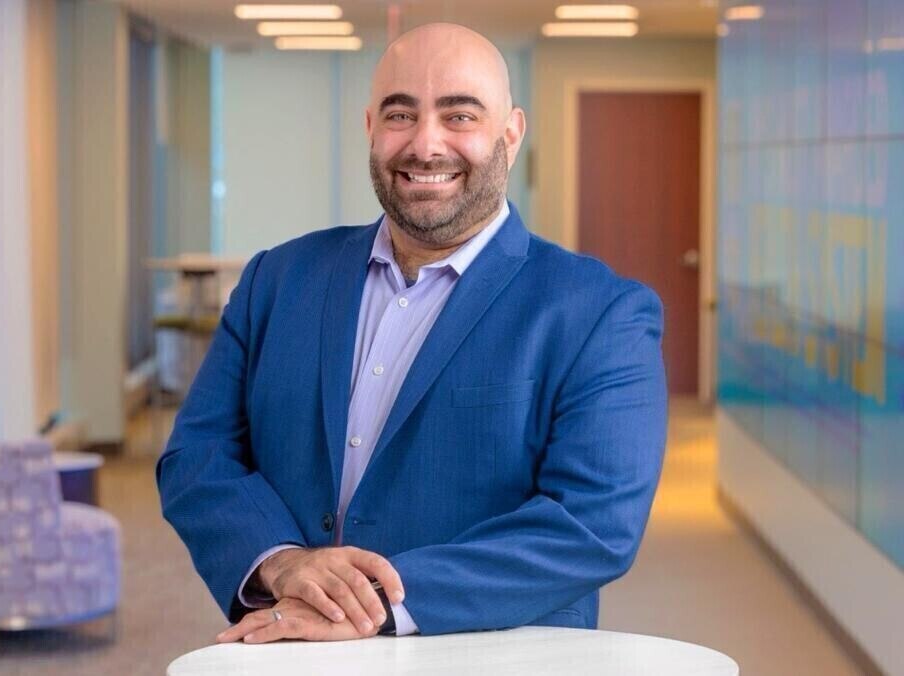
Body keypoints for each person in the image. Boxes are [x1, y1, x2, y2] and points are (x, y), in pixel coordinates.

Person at [157, 22, 667, 645]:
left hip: (495, 653)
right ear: (371, 127)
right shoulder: (277, 279)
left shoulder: (601, 311)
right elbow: (197, 454)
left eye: (460, 116)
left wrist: (369, 603)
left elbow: (593, 525)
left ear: (510, 134)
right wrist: (283, 562)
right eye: (401, 115)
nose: (426, 145)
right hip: (292, 649)